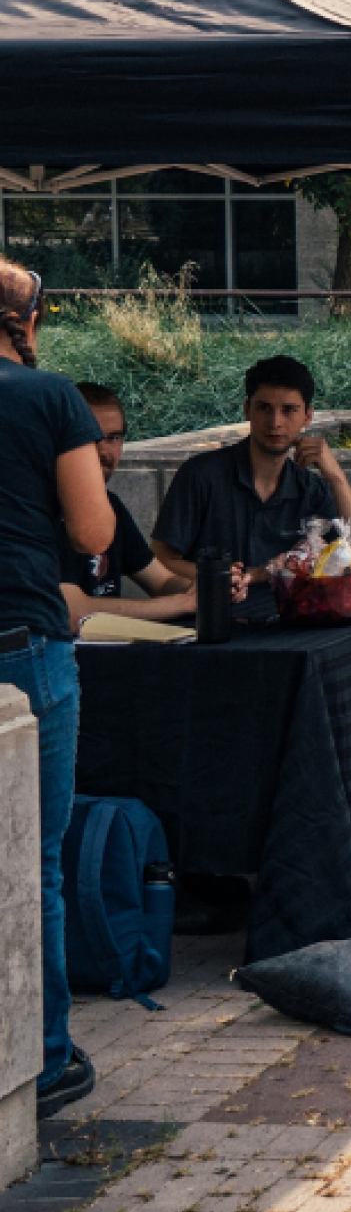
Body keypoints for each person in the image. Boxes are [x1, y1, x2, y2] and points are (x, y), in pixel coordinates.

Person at [0, 257, 115, 1118]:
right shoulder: (49, 399)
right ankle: (41, 1059)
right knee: (30, 858)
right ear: (29, 319)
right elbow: (93, 528)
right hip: (23, 647)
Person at [150, 354, 351, 584]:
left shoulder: (311, 488)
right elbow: (160, 561)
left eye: (289, 410)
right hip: (213, 614)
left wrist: (336, 477)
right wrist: (251, 575)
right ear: (247, 410)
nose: (275, 422)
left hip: (294, 614)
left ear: (307, 416)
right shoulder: (201, 475)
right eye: (264, 408)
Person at [57, 383, 242, 627]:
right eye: (90, 438)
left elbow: (161, 582)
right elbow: (68, 612)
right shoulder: (33, 511)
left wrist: (210, 587)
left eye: (113, 438)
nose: (103, 451)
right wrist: (184, 603)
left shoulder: (110, 505)